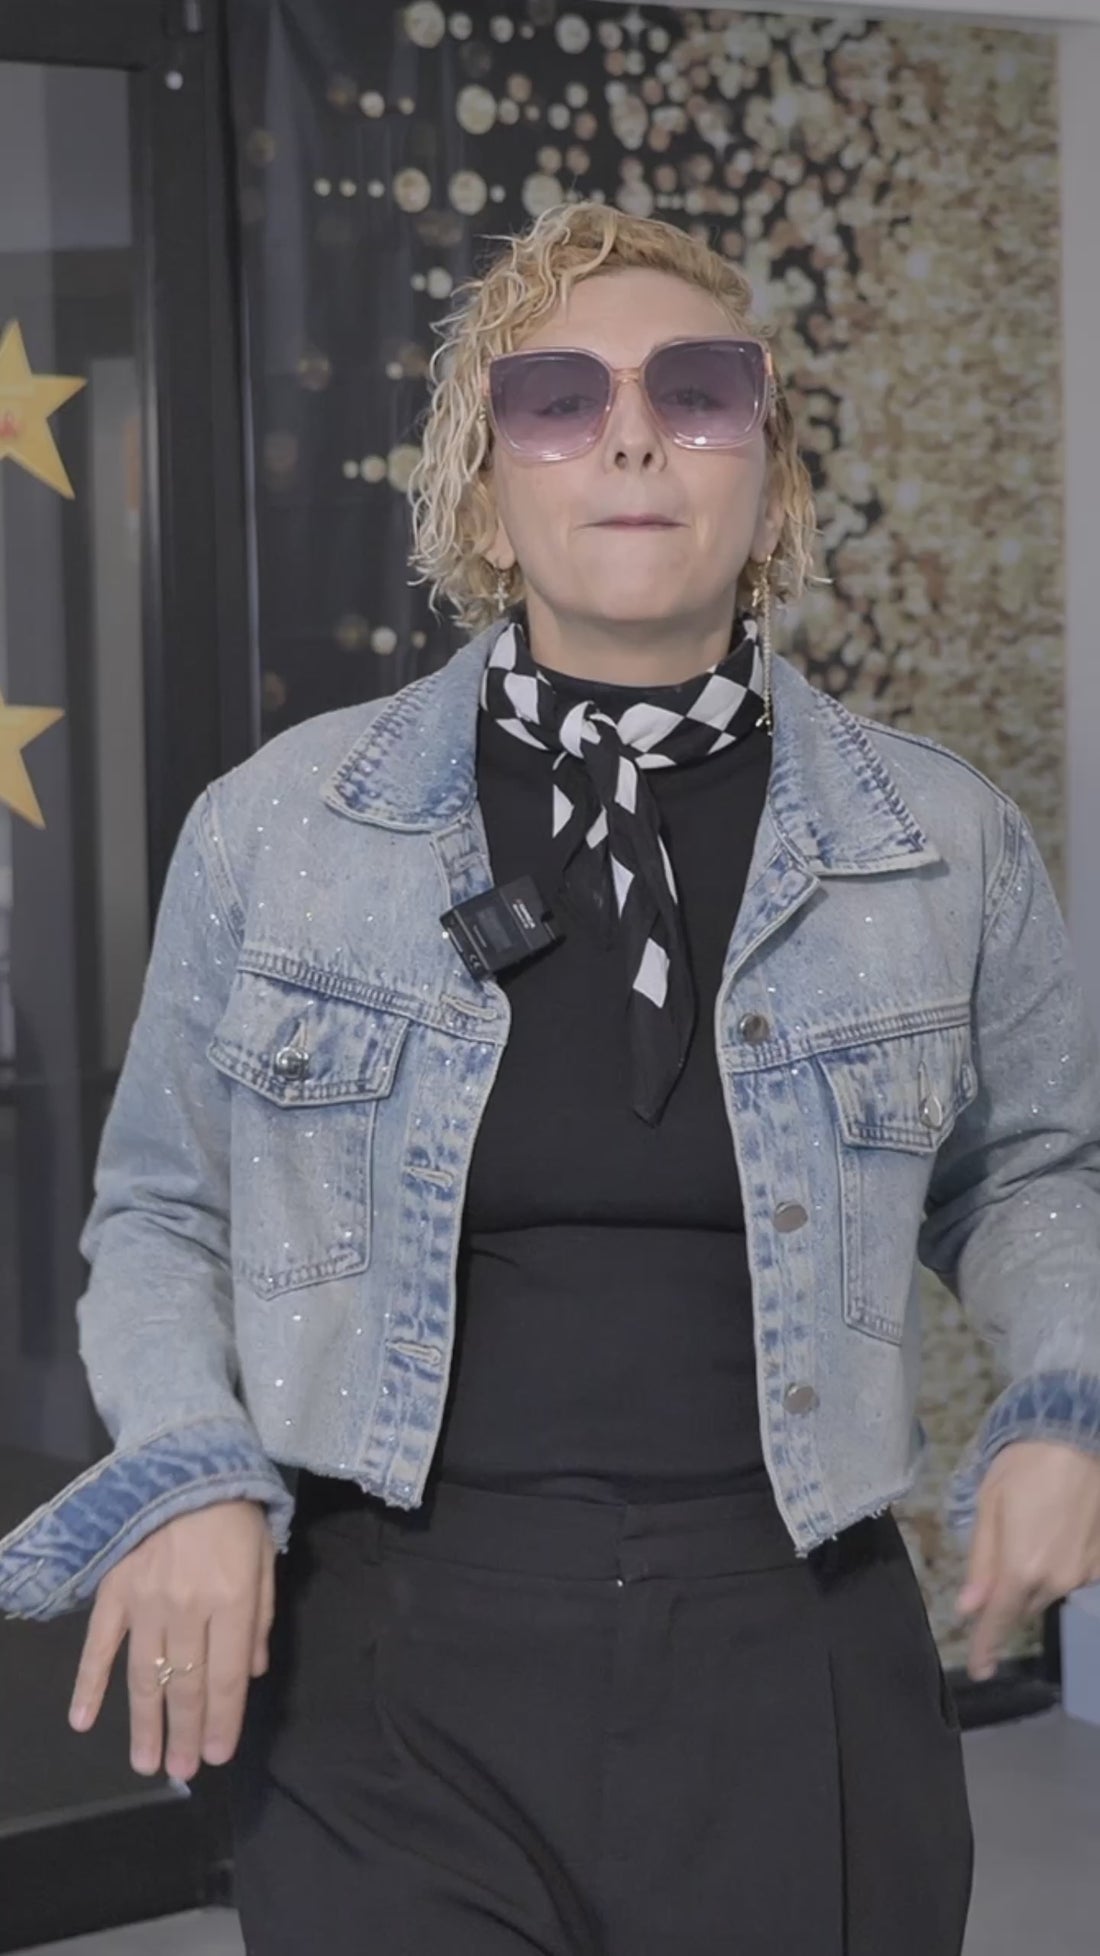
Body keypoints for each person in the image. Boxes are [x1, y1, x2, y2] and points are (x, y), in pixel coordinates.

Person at [2, 201, 1100, 1956]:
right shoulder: (281, 829)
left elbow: (1037, 1173)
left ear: (771, 472)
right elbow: (160, 1213)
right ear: (481, 484)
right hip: (388, 1677)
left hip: (798, 1652)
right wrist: (192, 1465)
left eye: (698, 391)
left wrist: (1065, 1396)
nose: (634, 438)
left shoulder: (942, 842)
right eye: (561, 399)